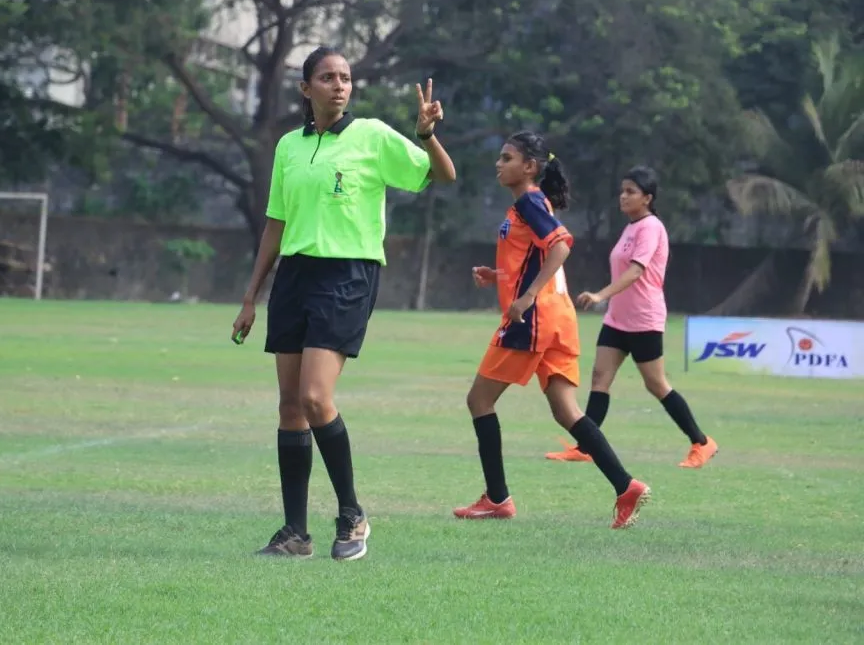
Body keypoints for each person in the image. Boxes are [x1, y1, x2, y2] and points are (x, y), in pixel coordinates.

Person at [231, 46, 457, 560]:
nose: (340, 85)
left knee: (314, 397)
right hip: (294, 275)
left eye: (346, 77)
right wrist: (250, 296)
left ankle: (352, 516)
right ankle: (294, 533)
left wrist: (426, 135)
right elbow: (275, 223)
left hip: (347, 275)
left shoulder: (373, 136)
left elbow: (442, 175)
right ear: (305, 88)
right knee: (289, 405)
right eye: (328, 77)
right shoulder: (289, 145)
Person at [452, 132, 650, 529]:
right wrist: (499, 276)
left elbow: (560, 247)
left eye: (507, 158)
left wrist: (524, 298)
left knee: (479, 400)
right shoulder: (529, 205)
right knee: (566, 411)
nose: (499, 163)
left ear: (529, 168)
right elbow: (535, 255)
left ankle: (497, 497)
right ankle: (626, 486)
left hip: (534, 320)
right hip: (558, 320)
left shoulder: (528, 200)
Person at [545, 166, 718, 468]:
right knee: (599, 378)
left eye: (631, 192)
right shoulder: (630, 227)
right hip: (617, 320)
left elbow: (636, 271)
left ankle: (701, 443)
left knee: (656, 384)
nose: (623, 196)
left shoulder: (651, 227)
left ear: (647, 198)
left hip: (643, 319)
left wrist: (600, 296)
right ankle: (586, 447)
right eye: (622, 190)